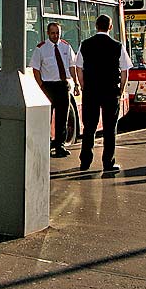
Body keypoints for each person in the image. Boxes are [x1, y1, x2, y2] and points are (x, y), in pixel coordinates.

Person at [75, 14, 133, 173]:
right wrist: (120, 90)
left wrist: (83, 85)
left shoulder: (85, 45)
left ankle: (85, 162)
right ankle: (108, 162)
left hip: (91, 91)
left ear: (96, 26)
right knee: (109, 128)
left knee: (89, 127)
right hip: (110, 91)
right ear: (110, 27)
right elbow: (125, 71)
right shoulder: (117, 46)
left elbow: (78, 67)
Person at [30, 21, 79, 157]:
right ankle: (45, 146)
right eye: (53, 33)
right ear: (48, 33)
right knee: (46, 118)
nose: (55, 35)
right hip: (48, 86)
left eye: (57, 33)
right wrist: (41, 86)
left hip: (63, 86)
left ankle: (60, 146)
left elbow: (71, 66)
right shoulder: (41, 48)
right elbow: (36, 69)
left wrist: (76, 84)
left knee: (62, 117)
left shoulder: (66, 47)